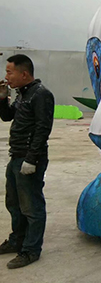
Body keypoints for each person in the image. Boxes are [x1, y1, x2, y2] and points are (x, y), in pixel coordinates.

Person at [0, 54, 54, 269]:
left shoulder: (41, 94)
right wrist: (2, 98)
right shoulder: (23, 94)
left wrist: (31, 159)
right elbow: (7, 117)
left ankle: (31, 250)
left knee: (31, 206)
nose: (6, 77)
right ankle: (18, 240)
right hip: (16, 156)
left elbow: (43, 128)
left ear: (24, 74)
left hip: (30, 158)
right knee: (14, 203)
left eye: (9, 72)